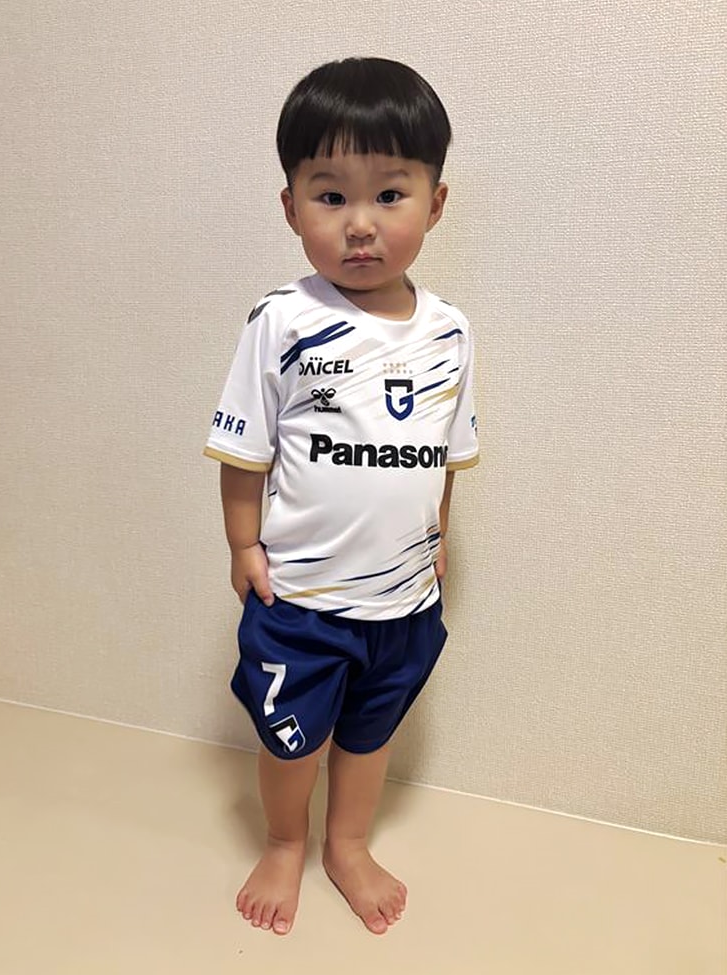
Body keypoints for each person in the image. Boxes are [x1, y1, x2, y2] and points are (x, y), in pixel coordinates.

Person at [204, 57, 479, 937]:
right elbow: (243, 453)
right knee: (292, 737)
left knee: (370, 733)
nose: (360, 223)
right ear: (291, 207)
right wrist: (243, 546)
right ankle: (286, 839)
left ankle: (347, 843)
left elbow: (443, 455)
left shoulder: (451, 332)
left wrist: (439, 538)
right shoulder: (280, 321)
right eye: (331, 196)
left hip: (404, 601)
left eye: (390, 194)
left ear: (435, 202)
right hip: (302, 602)